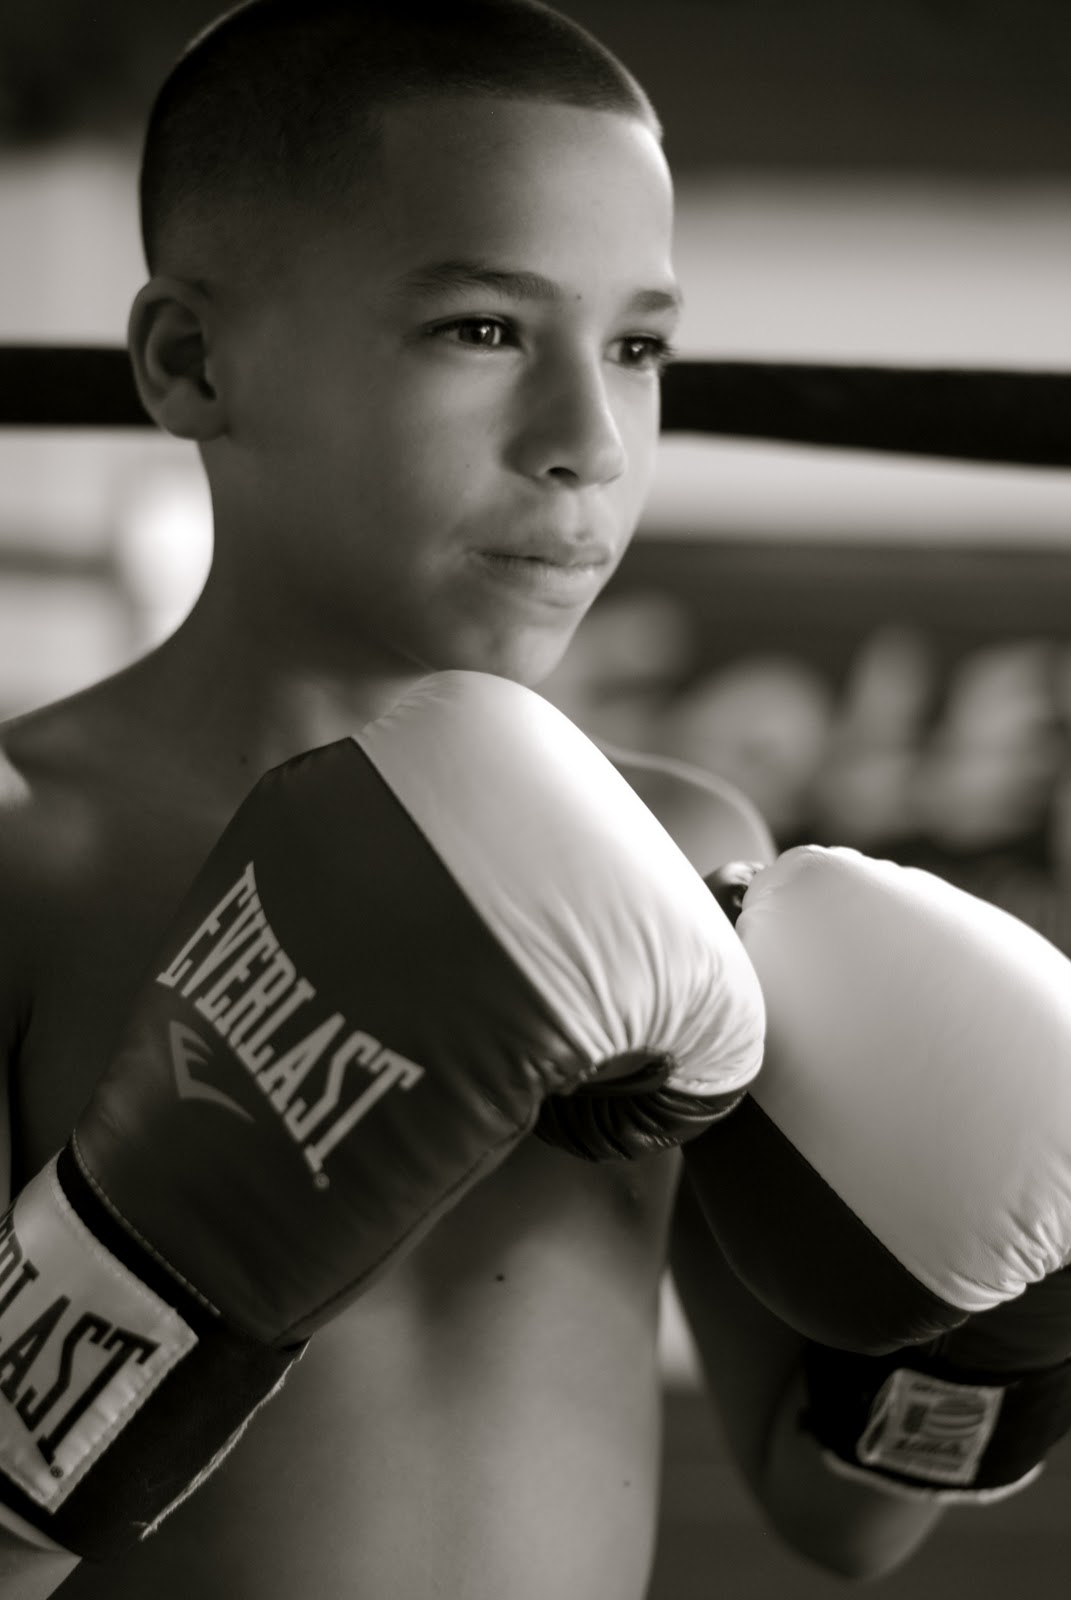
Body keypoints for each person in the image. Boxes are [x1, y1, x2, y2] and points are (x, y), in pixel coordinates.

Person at [0, 3, 948, 1595]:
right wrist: (150, 1257)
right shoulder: (32, 849)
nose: (587, 443)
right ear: (192, 359)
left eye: (638, 348)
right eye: (483, 330)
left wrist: (992, 1353)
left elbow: (841, 1514)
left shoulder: (689, 854)